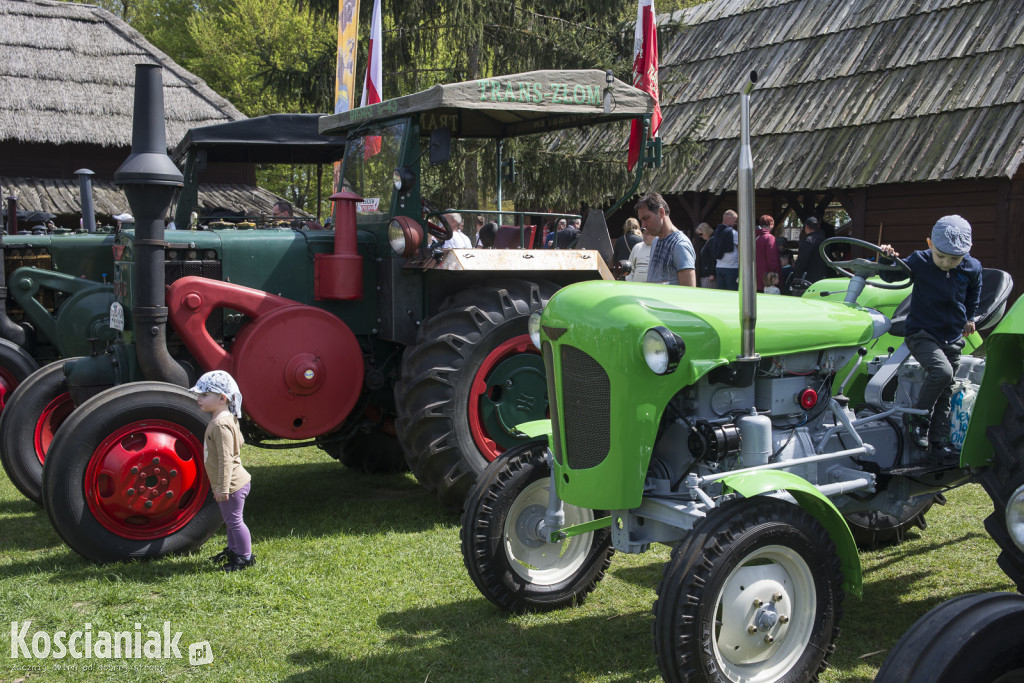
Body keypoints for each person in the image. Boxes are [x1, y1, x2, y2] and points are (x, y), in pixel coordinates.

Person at [879, 215, 982, 464]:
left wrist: (970, 317)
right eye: (941, 256)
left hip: (953, 336)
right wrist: (886, 258)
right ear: (930, 244)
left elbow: (973, 294)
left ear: (967, 252)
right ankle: (917, 417)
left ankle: (939, 443)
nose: (946, 263)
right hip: (922, 333)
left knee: (946, 392)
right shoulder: (920, 260)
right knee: (942, 373)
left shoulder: (971, 267)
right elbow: (891, 276)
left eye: (954, 259)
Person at [189, 370, 255, 572]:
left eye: (204, 395)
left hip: (232, 484)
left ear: (221, 398)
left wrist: (222, 488)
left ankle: (244, 557)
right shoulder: (229, 417)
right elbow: (240, 442)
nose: (198, 399)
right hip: (234, 481)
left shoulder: (219, 424)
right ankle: (234, 551)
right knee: (229, 520)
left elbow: (227, 459)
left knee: (235, 521)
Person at [636, 192, 696, 286]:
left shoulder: (680, 245)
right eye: (641, 220)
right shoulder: (655, 241)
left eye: (646, 218)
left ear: (661, 213)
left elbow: (689, 291)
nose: (643, 225)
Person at [793, 216, 831, 284]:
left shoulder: (808, 241)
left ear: (806, 227)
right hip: (822, 277)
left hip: (808, 279)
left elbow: (802, 261)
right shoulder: (824, 241)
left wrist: (797, 276)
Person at [712, 210, 739, 290]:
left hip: (719, 267)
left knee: (722, 294)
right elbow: (741, 248)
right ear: (730, 220)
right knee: (732, 293)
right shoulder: (733, 233)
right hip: (732, 267)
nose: (735, 223)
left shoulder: (717, 232)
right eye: (735, 221)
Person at [755, 215, 781, 292]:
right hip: (767, 278)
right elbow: (772, 258)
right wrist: (775, 274)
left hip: (754, 276)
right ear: (771, 224)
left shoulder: (753, 237)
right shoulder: (769, 238)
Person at [695, 222, 715, 288]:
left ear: (705, 231)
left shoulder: (712, 241)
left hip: (709, 275)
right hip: (705, 274)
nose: (700, 236)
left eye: (701, 234)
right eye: (699, 235)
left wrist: (712, 273)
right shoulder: (706, 242)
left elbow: (714, 258)